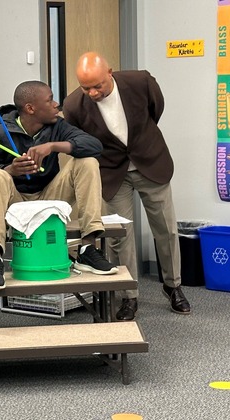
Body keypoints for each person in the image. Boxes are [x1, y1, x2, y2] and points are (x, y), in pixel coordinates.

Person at [62, 51, 191, 320]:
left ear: (110, 72)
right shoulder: (74, 105)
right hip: (112, 172)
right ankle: (128, 296)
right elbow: (80, 141)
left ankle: (173, 286)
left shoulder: (141, 82)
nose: (94, 92)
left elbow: (155, 111)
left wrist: (141, 143)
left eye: (98, 85)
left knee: (166, 229)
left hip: (150, 163)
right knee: (121, 238)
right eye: (87, 88)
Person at [0, 80, 118, 290]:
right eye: (50, 100)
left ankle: (87, 248)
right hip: (16, 202)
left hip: (50, 197)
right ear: (30, 108)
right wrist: (10, 170)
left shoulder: (57, 126)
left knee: (88, 162)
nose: (56, 104)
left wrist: (52, 146)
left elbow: (95, 146)